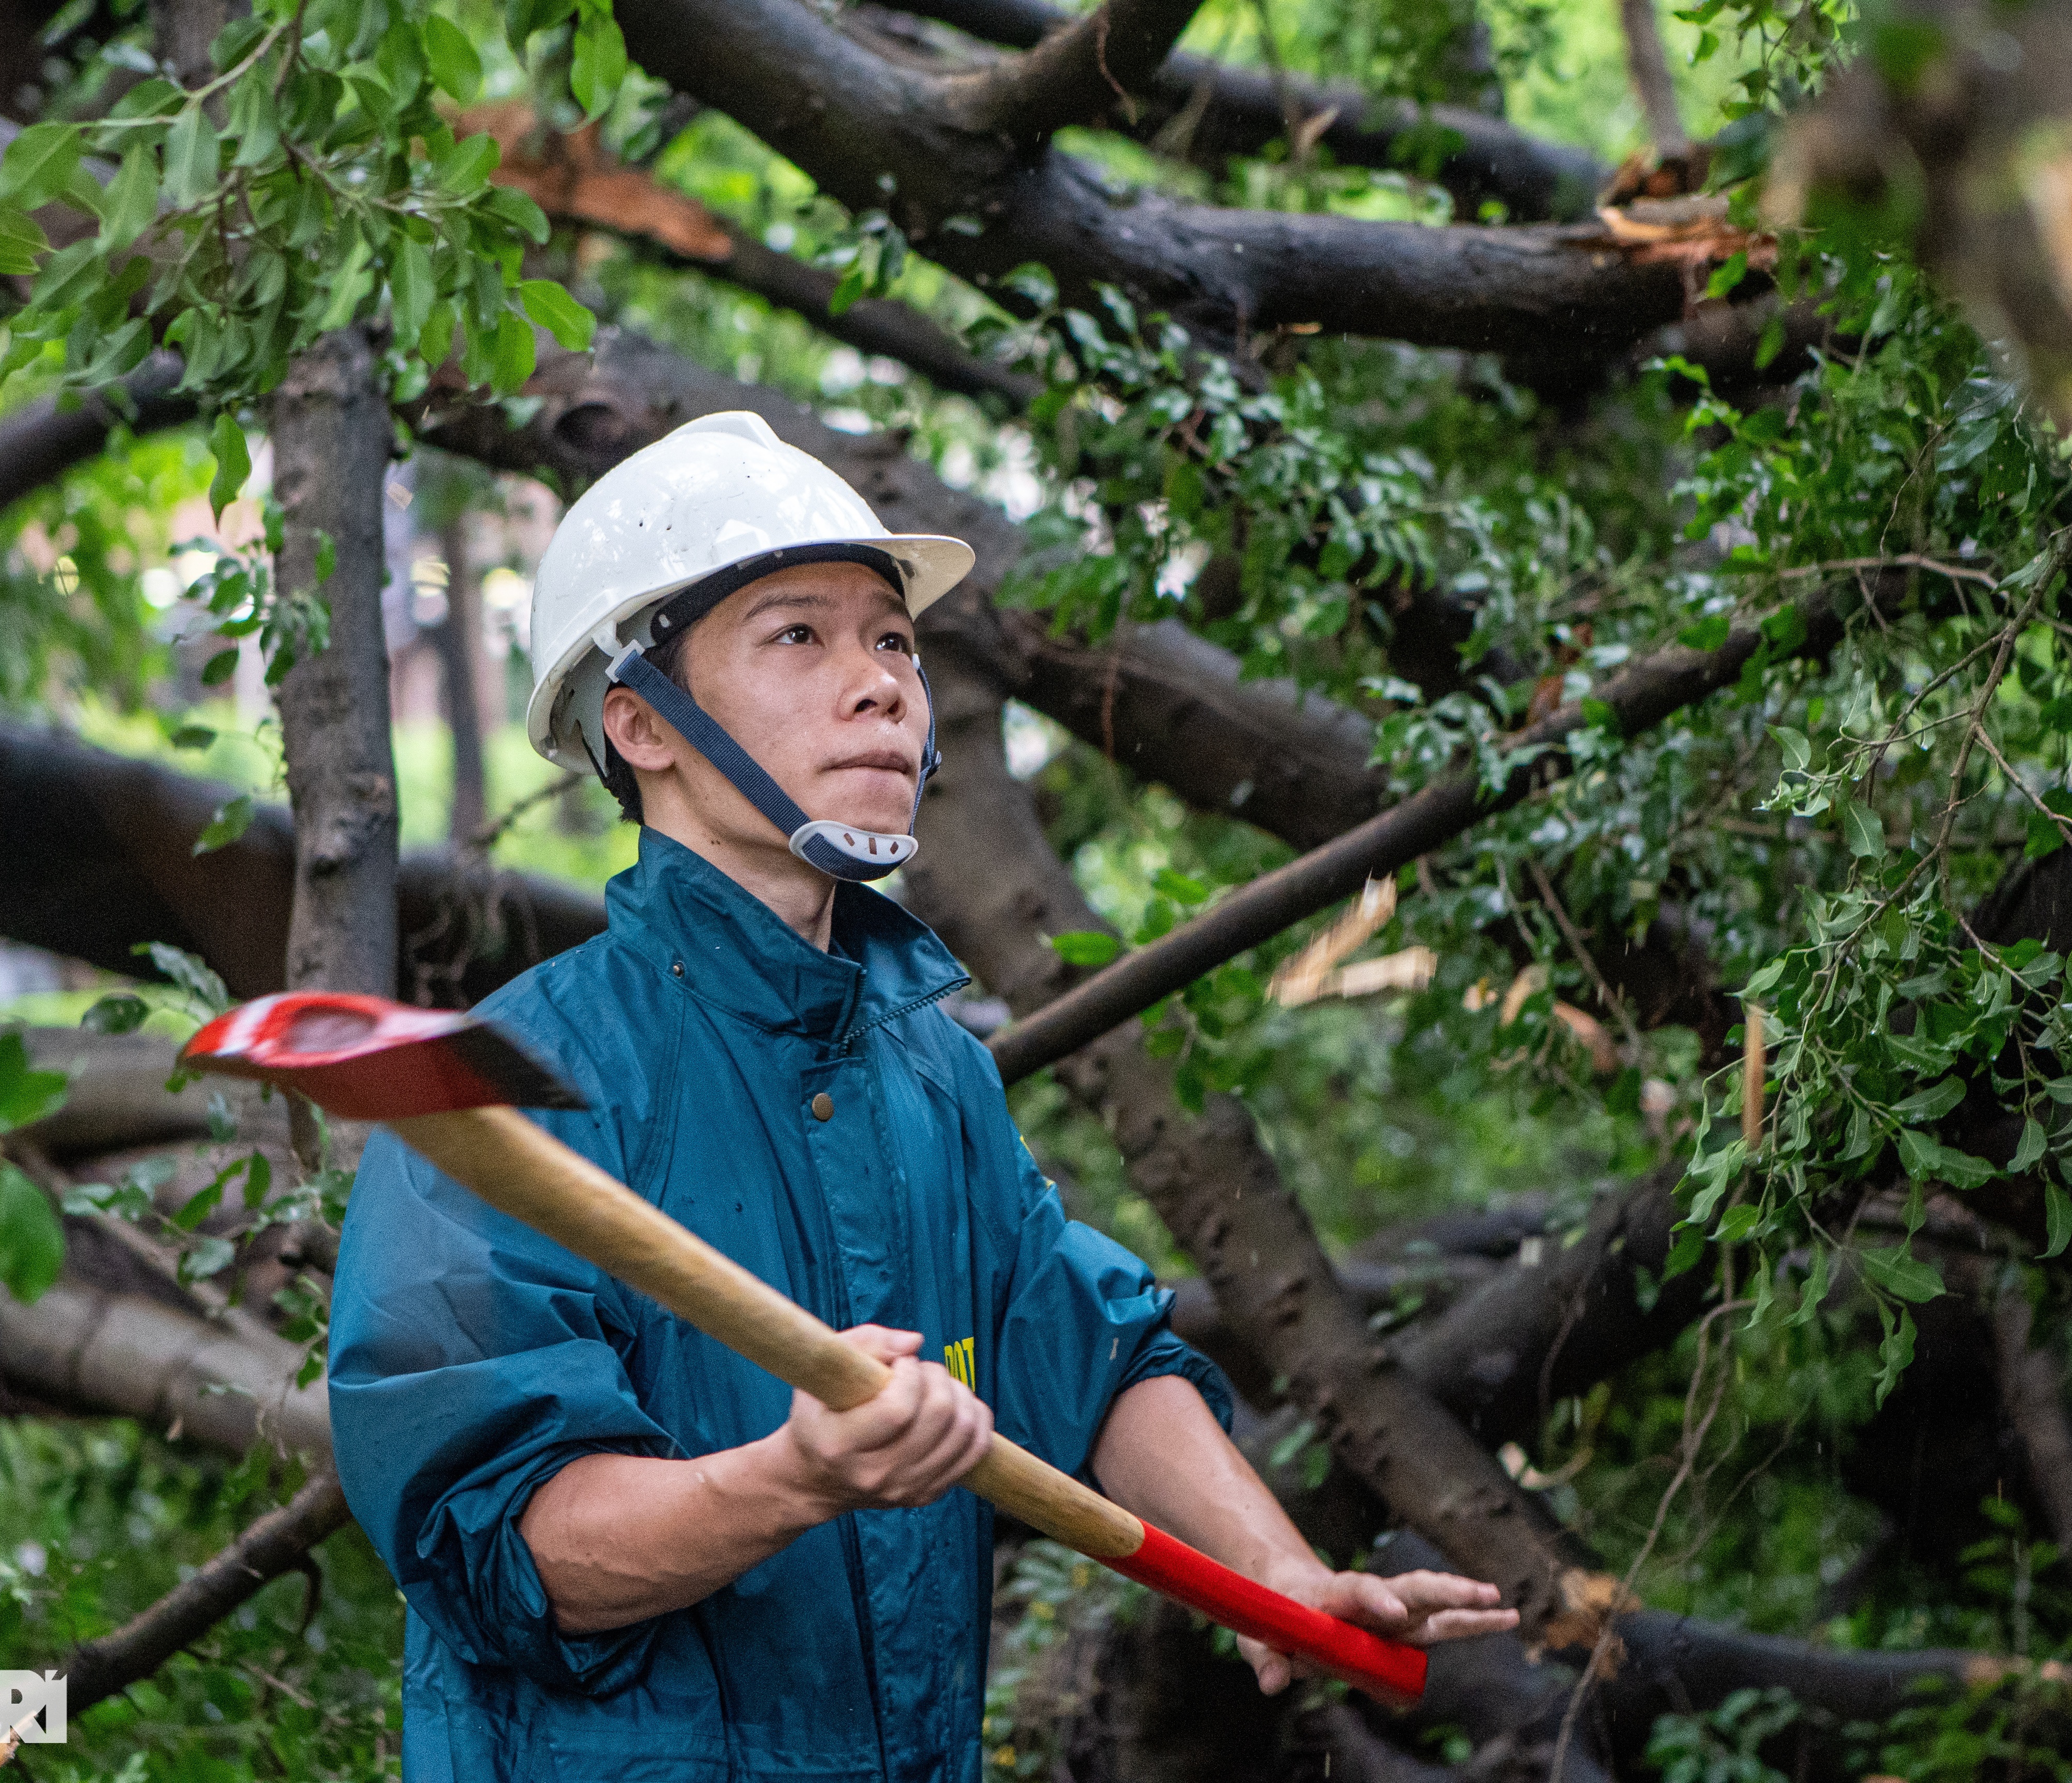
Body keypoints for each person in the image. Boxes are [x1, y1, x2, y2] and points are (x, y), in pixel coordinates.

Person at [327, 412, 1517, 1783]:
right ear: (641, 723)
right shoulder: (512, 1095)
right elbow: (513, 1550)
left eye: (892, 641)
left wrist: (1274, 1572)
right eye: (799, 637)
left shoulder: (930, 1076)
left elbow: (1087, 1351)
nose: (882, 684)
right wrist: (797, 1476)